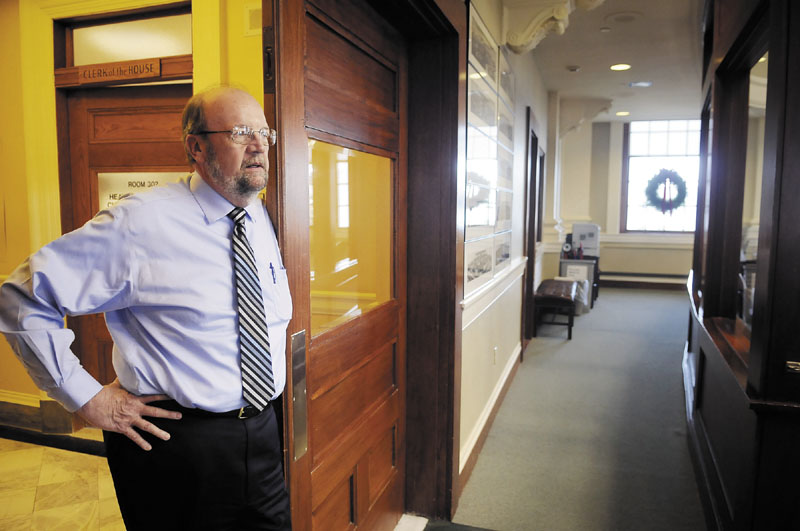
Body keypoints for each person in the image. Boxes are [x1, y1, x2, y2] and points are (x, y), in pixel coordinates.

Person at [0, 87, 293, 530]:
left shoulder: (259, 217)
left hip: (264, 432)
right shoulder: (140, 223)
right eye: (239, 133)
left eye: (263, 133)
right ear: (196, 146)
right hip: (176, 444)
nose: (258, 146)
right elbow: (21, 295)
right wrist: (87, 398)